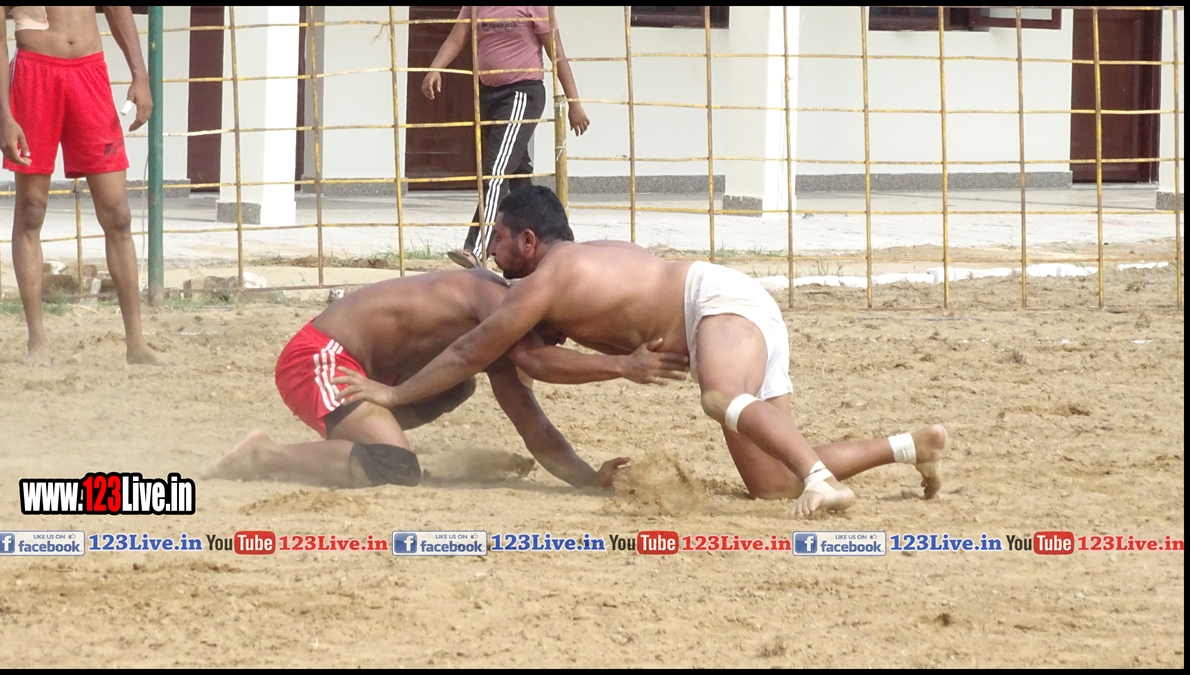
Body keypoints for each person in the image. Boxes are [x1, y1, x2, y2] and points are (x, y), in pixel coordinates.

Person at [331, 186, 948, 517]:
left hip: (716, 303)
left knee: (720, 397)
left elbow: (475, 350)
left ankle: (822, 481)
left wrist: (394, 393)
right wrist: (620, 367)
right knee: (768, 484)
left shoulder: (549, 279)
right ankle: (909, 446)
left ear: (529, 239)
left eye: (497, 239)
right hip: (728, 311)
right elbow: (538, 362)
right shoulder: (575, 270)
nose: (490, 251)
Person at [204, 268, 689, 489]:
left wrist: (588, 479)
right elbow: (539, 363)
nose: (559, 341)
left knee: (458, 385)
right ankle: (265, 455)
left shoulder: (504, 338)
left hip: (356, 368)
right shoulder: (495, 304)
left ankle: (362, 440)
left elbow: (534, 426)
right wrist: (623, 366)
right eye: (560, 333)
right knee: (395, 468)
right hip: (320, 358)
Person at [0, 6, 162, 365]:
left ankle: (136, 344)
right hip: (34, 74)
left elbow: (117, 9)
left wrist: (140, 76)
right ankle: (37, 340)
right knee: (31, 211)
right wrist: (4, 116)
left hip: (89, 72)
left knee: (118, 214)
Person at [420, 6, 589, 270]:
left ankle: (476, 249)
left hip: (522, 93)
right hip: (488, 95)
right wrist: (435, 69)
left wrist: (574, 103)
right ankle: (554, 247)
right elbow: (457, 37)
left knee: (496, 172)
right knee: (518, 176)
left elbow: (556, 53)